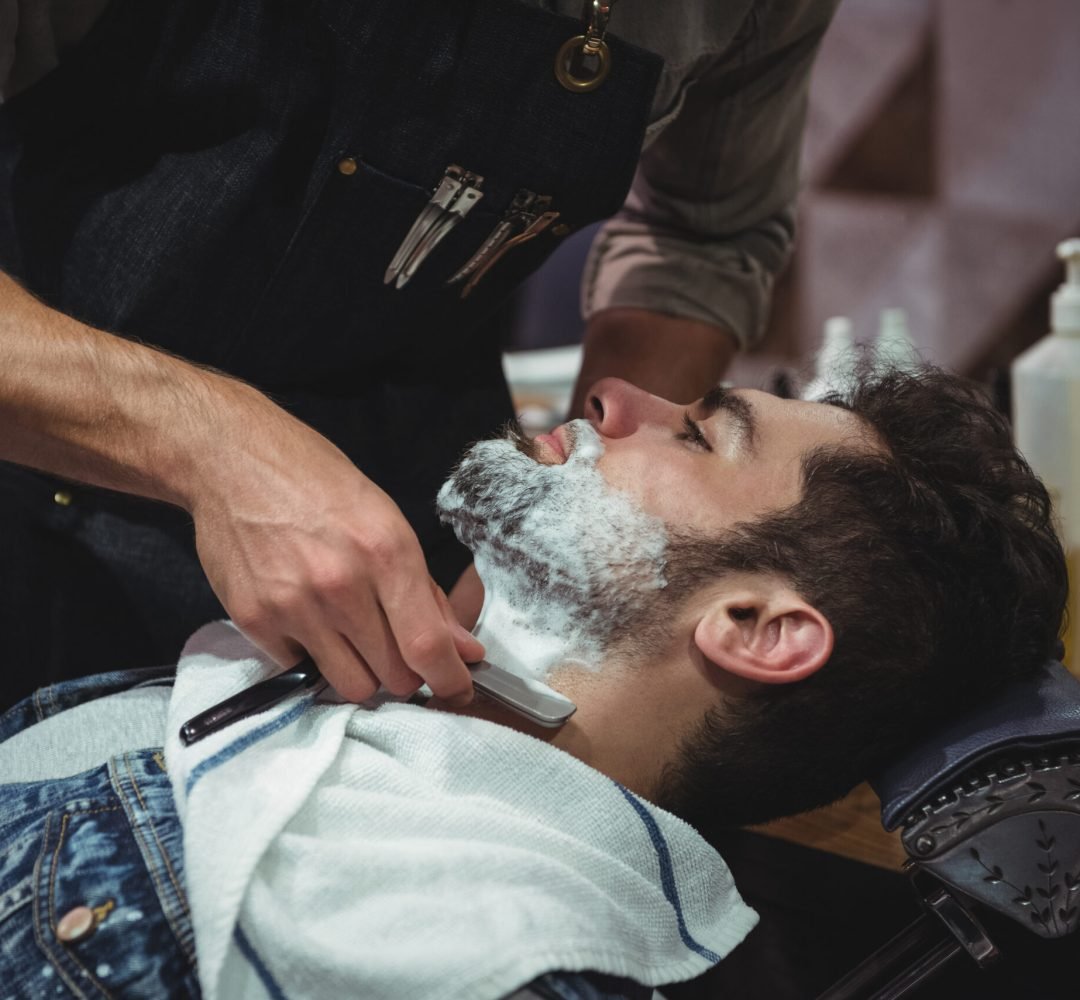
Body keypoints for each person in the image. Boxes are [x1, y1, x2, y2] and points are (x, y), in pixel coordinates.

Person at [0, 365, 1067, 999]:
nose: (612, 391)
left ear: (756, 628)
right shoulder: (253, 689)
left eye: (697, 432)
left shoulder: (519, 953)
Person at [0, 0, 844, 711]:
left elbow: (700, 233)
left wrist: (571, 521)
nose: (611, 413)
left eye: (696, 435)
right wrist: (214, 446)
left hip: (389, 503)